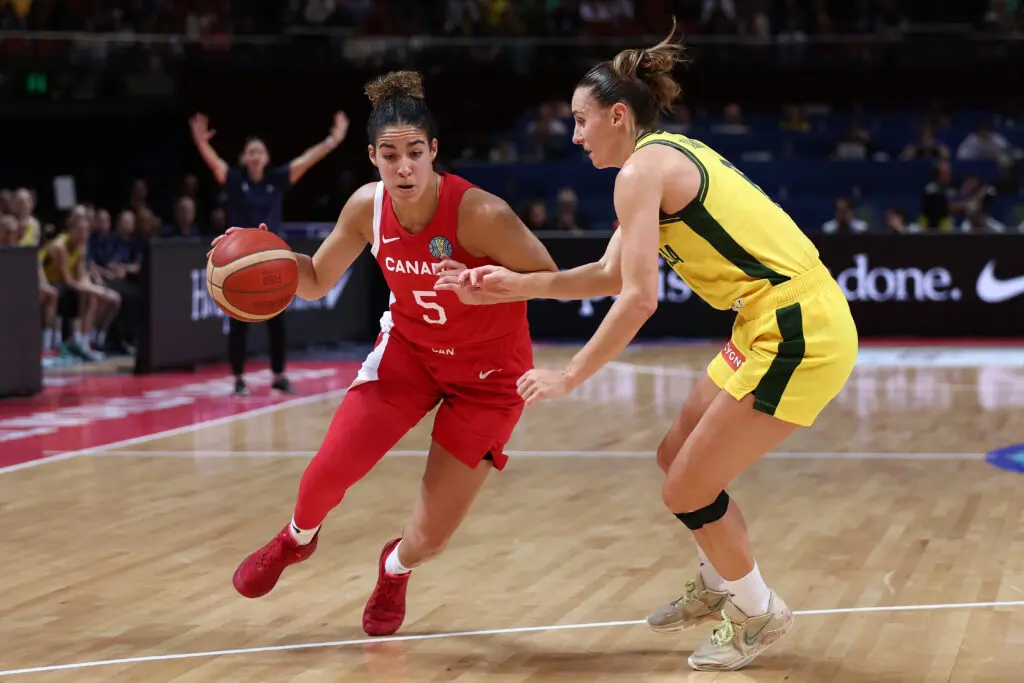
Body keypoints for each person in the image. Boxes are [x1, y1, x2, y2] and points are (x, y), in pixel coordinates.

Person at [437, 23, 858, 673]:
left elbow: (638, 299)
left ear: (617, 115)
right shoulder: (656, 159)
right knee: (673, 456)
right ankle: (719, 585)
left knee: (687, 488)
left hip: (800, 326)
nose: (574, 136)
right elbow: (609, 274)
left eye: (580, 122)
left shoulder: (640, 171)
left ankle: (758, 609)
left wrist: (571, 374)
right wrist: (509, 286)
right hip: (765, 320)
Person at [218, 71, 558, 637]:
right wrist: (266, 256)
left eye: (415, 153)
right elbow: (315, 280)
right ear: (373, 156)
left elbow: (550, 278)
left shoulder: (482, 213)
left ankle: (394, 568)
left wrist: (483, 280)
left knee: (431, 537)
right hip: (411, 355)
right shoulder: (365, 208)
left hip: (490, 378)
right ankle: (294, 540)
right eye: (391, 154)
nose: (404, 167)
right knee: (327, 472)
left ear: (434, 153)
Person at [190, 109, 350, 395]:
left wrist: (333, 140)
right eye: (250, 151)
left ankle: (279, 375)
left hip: (272, 261)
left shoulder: (276, 180)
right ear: (243, 158)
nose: (255, 155)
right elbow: (214, 163)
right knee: (237, 319)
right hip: (239, 260)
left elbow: (307, 160)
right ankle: (239, 378)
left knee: (278, 324)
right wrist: (201, 142)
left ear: (266, 157)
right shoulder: (235, 181)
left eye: (259, 151)